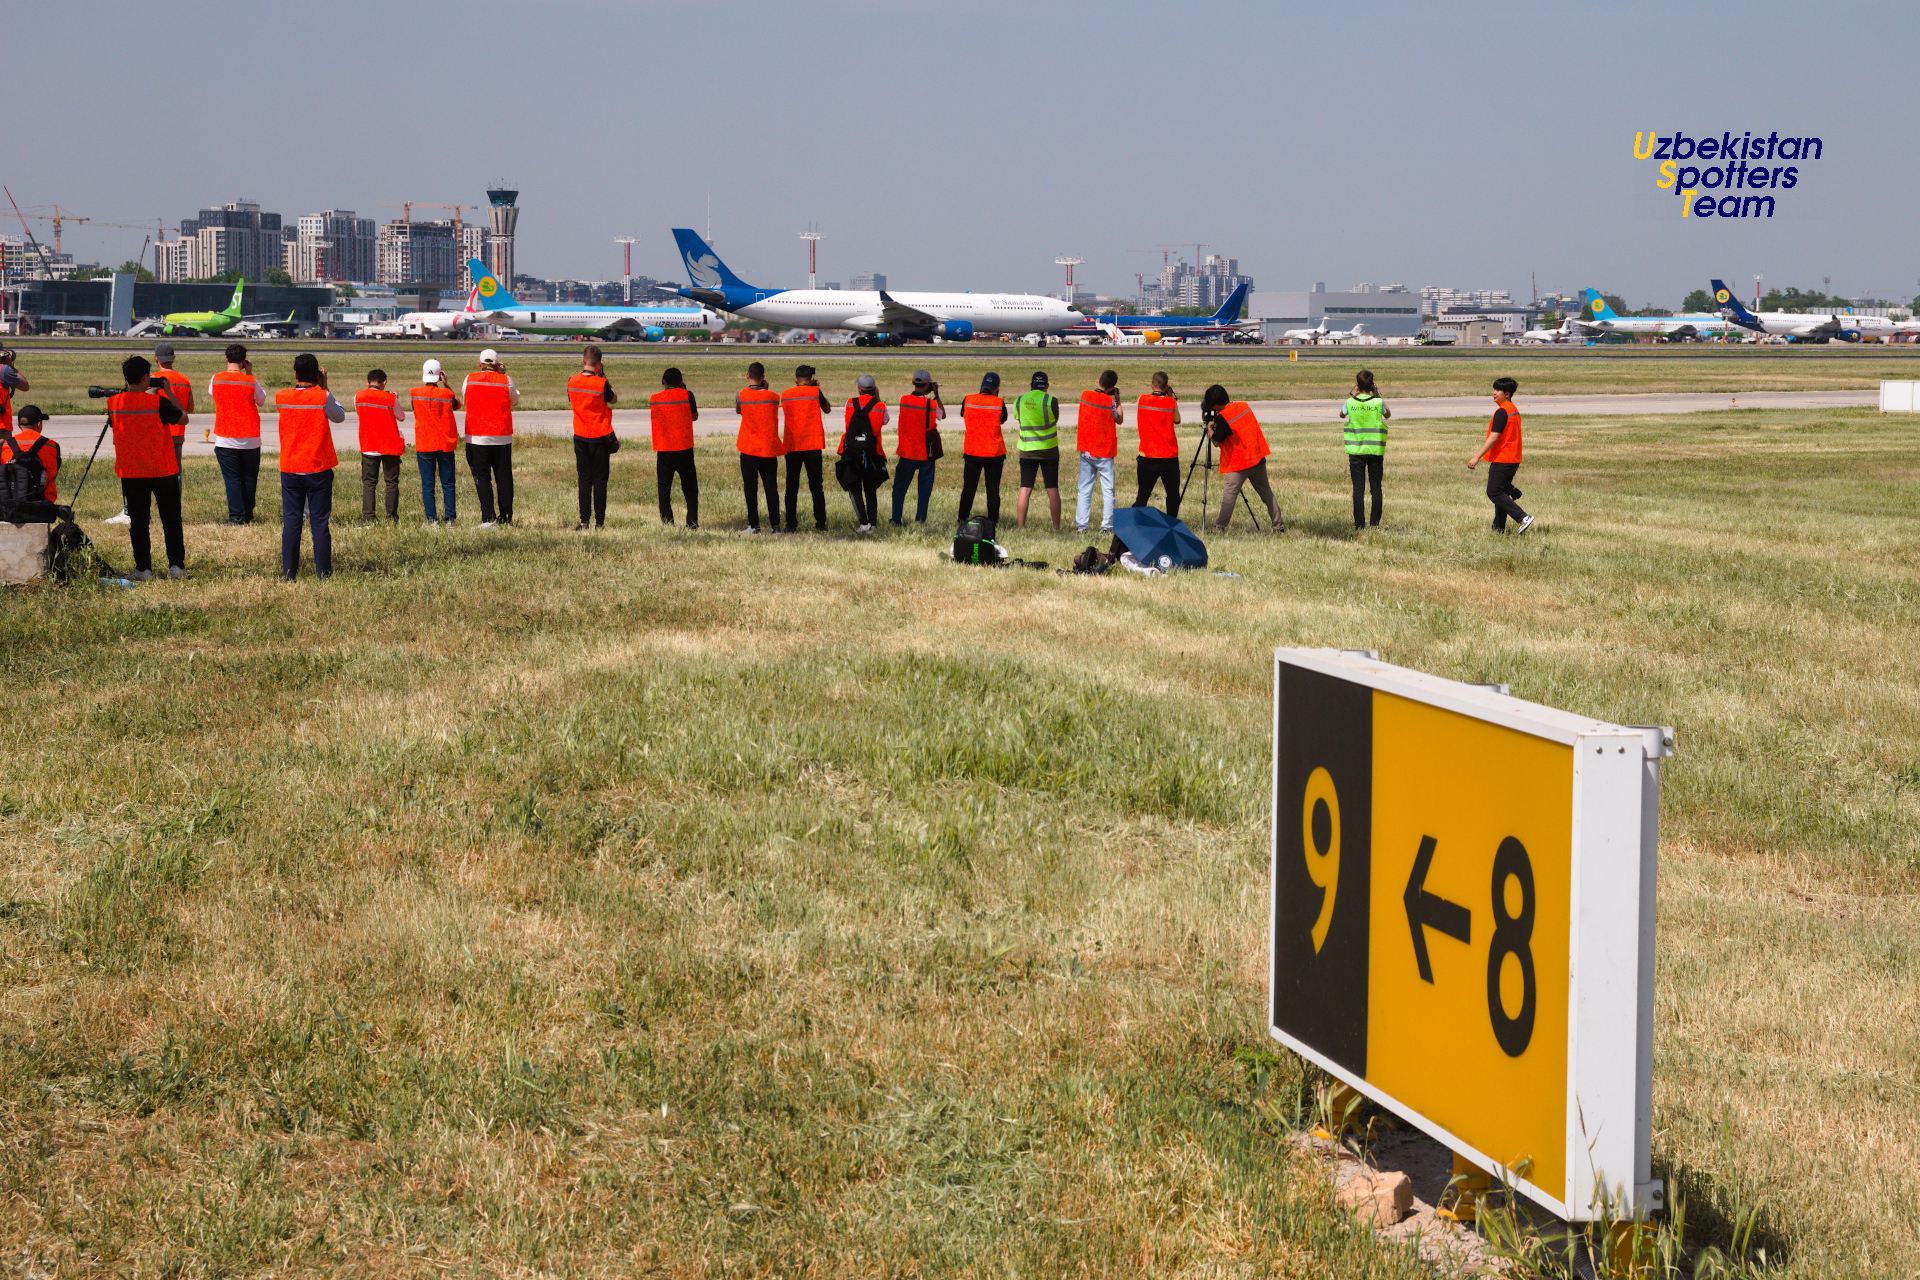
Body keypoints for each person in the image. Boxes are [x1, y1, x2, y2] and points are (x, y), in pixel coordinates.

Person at [106, 355, 188, 579]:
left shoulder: (114, 403)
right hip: (162, 469)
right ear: (145, 378)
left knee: (139, 523)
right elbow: (183, 418)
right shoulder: (157, 402)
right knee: (171, 520)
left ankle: (143, 568)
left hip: (132, 471)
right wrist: (167, 392)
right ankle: (176, 566)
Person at [274, 353, 345, 580]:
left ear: (295, 375)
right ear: (317, 375)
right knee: (319, 523)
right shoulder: (322, 396)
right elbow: (339, 416)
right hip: (317, 467)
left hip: (291, 466)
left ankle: (289, 572)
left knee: (292, 522)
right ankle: (323, 572)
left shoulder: (281, 396)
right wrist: (324, 386)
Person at [1203, 384, 1283, 533]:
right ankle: (1278, 527)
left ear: (1215, 405)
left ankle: (1219, 527)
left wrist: (1209, 428)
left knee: (1229, 497)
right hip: (1256, 457)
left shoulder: (1224, 417)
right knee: (1267, 494)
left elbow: (1216, 442)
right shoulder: (1244, 406)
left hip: (1238, 463)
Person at [208, 343, 267, 524]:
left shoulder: (216, 379)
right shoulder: (250, 380)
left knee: (232, 479)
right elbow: (261, 400)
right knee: (249, 479)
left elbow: (212, 394)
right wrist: (249, 373)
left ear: (226, 358)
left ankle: (236, 515)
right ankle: (247, 515)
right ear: (243, 361)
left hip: (226, 436)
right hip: (250, 437)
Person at [1468, 376, 1532, 534]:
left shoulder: (1502, 412)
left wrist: (1476, 457)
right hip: (1513, 458)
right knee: (1501, 493)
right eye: (1494, 389)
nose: (1494, 393)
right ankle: (1498, 530)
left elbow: (1494, 437)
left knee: (1494, 492)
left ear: (1507, 393)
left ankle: (1522, 517)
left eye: (1498, 390)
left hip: (1503, 458)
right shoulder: (1513, 410)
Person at [463, 348, 518, 527]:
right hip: (501, 436)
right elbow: (514, 400)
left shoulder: (469, 379)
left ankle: (488, 517)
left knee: (482, 478)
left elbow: (465, 399)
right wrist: (501, 375)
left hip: (477, 436)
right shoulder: (506, 380)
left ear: (480, 364)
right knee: (504, 478)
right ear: (496, 364)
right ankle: (506, 517)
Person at [567, 344, 618, 530]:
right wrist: (603, 376)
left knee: (584, 480)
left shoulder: (572, 381)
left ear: (583, 361)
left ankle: (584, 521)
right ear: (599, 364)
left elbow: (571, 399)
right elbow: (613, 399)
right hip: (599, 436)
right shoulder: (601, 383)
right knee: (600, 481)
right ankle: (599, 522)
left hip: (580, 436)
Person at [410, 358, 460, 525]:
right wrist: (446, 384)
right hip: (444, 443)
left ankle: (432, 520)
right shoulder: (447, 394)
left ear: (423, 374)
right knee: (448, 483)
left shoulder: (415, 393)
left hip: (425, 442)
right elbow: (457, 405)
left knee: (428, 484)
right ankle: (450, 519)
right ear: (440, 375)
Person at [735, 361, 784, 533]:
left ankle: (754, 525)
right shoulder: (773, 397)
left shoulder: (741, 395)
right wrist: (766, 389)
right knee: (771, 487)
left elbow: (739, 410)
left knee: (750, 488)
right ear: (763, 378)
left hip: (749, 448)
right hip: (768, 448)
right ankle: (775, 525)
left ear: (747, 375)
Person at [780, 365, 830, 531]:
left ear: (796, 380)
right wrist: (816, 388)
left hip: (792, 445)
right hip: (812, 445)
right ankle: (820, 524)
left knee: (791, 487)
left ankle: (791, 524)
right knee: (816, 487)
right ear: (811, 379)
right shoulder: (815, 392)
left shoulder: (785, 394)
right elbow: (827, 409)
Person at [891, 370, 944, 526]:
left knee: (899, 489)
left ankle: (896, 520)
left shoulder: (903, 400)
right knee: (924, 491)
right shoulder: (931, 404)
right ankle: (920, 521)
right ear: (928, 385)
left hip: (907, 452)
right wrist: (936, 395)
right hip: (926, 453)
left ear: (913, 382)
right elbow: (942, 415)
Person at [1340, 369, 1390, 530]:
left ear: (1357, 384)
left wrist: (1353, 393)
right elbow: (1388, 415)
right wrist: (1377, 394)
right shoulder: (1377, 403)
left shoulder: (1350, 402)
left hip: (1356, 451)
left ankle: (1359, 524)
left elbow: (1342, 414)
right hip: (1375, 451)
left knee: (1358, 489)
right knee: (1376, 488)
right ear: (1372, 385)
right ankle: (1374, 523)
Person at [650, 367, 699, 528]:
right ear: (681, 382)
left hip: (664, 447)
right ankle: (692, 521)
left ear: (664, 381)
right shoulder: (687, 395)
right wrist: (683, 390)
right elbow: (694, 417)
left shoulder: (655, 398)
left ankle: (667, 521)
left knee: (664, 487)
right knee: (690, 487)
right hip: (684, 446)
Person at [356, 368, 407, 522]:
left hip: (369, 445)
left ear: (367, 383)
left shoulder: (358, 396)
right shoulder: (390, 398)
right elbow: (401, 417)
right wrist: (394, 398)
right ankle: (391, 517)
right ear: (384, 383)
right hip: (389, 445)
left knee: (369, 483)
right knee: (391, 483)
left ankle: (368, 517)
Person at [1074, 370, 1122, 533]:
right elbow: (1119, 419)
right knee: (1108, 491)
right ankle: (1107, 526)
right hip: (1104, 451)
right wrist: (1118, 400)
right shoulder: (1110, 402)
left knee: (1084, 490)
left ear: (1098, 380)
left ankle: (1082, 526)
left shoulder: (1085, 395)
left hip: (1087, 449)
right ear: (1112, 388)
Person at [838, 373, 888, 531]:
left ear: (859, 390)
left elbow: (846, 420)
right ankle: (873, 524)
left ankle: (863, 523)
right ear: (874, 390)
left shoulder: (850, 402)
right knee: (870, 489)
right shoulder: (880, 406)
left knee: (854, 488)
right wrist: (877, 399)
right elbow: (885, 421)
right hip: (872, 452)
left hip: (851, 451)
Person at [957, 372, 1008, 526]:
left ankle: (962, 519)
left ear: (982, 386)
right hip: (994, 452)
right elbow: (1003, 419)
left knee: (968, 488)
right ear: (997, 387)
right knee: (992, 490)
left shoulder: (968, 399)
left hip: (972, 451)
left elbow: (963, 414)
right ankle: (992, 521)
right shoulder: (999, 402)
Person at [1131, 370, 1183, 518]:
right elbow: (1177, 420)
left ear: (1152, 385)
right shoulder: (1171, 402)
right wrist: (1170, 397)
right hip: (1168, 457)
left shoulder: (1142, 399)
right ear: (1166, 387)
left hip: (1147, 455)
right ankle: (1171, 522)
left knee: (1143, 495)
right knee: (1173, 495)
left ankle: (1135, 522)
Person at [1014, 370, 1062, 529]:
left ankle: (1021, 527)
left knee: (1025, 488)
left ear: (1031, 385)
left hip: (1027, 450)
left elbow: (1018, 418)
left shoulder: (1019, 401)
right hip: (1049, 450)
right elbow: (1055, 419)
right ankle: (1056, 528)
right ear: (1047, 385)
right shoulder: (1051, 401)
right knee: (1052, 488)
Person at [152, 341, 194, 469]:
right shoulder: (184, 380)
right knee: (175, 469)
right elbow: (190, 408)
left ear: (156, 359)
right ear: (173, 359)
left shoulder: (152, 380)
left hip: (158, 433)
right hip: (177, 433)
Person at [7, 405, 60, 501]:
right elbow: (53, 474)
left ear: (18, 425)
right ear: (39, 425)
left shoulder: (5, 445)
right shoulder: (52, 445)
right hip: (43, 504)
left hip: (11, 505)